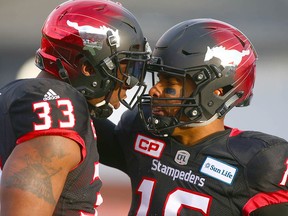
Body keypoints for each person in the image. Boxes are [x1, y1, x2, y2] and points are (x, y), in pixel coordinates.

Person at [94, 18, 288, 215]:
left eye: (170, 84)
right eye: (159, 79)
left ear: (218, 91)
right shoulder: (141, 130)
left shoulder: (256, 163)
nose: (154, 90)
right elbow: (86, 128)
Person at [0, 0, 150, 215]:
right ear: (88, 68)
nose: (131, 82)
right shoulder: (59, 116)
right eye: (127, 69)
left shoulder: (25, 94)